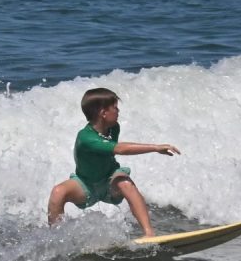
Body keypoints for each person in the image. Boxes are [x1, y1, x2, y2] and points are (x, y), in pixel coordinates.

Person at [47, 87, 180, 236]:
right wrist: (155, 148)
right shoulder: (85, 137)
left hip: (110, 180)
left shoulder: (113, 128)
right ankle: (56, 239)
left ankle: (149, 234)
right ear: (103, 113)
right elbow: (120, 149)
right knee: (58, 192)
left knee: (125, 183)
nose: (118, 111)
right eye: (115, 108)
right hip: (85, 185)